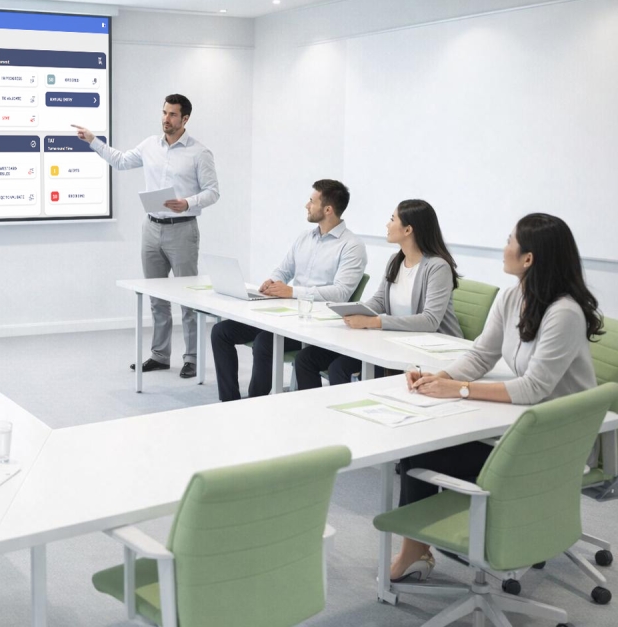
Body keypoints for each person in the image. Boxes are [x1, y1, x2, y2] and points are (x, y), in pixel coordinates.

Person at [388, 213, 602, 583]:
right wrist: (441, 377)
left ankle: (417, 551)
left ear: (529, 258)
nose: (503, 249)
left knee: (423, 453)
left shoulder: (565, 313)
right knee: (422, 446)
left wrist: (461, 390)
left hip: (558, 441)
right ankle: (419, 549)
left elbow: (534, 387)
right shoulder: (512, 296)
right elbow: (481, 355)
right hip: (523, 426)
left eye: (509, 241)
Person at [73, 94, 219, 379]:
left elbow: (213, 192)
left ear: (185, 118)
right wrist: (93, 141)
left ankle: (192, 358)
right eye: (164, 113)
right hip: (151, 229)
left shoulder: (200, 153)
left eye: (173, 114)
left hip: (183, 229)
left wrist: (187, 202)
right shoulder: (150, 145)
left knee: (188, 297)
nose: (166, 119)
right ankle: (160, 355)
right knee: (156, 296)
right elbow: (121, 161)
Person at [210, 180, 367, 401]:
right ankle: (229, 401)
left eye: (312, 201)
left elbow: (341, 293)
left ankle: (255, 401)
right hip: (283, 313)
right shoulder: (305, 237)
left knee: (265, 341)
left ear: (328, 210)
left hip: (312, 323)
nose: (306, 205)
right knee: (221, 332)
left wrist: (292, 292)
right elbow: (284, 270)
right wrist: (272, 281)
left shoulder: (352, 246)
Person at [295, 199, 462, 389]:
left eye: (392, 219)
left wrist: (374, 322)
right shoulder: (395, 260)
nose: (387, 225)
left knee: (339, 369)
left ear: (408, 230)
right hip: (394, 341)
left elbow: (430, 321)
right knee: (305, 359)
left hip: (430, 349)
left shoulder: (437, 267)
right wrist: (354, 311)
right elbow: (380, 300)